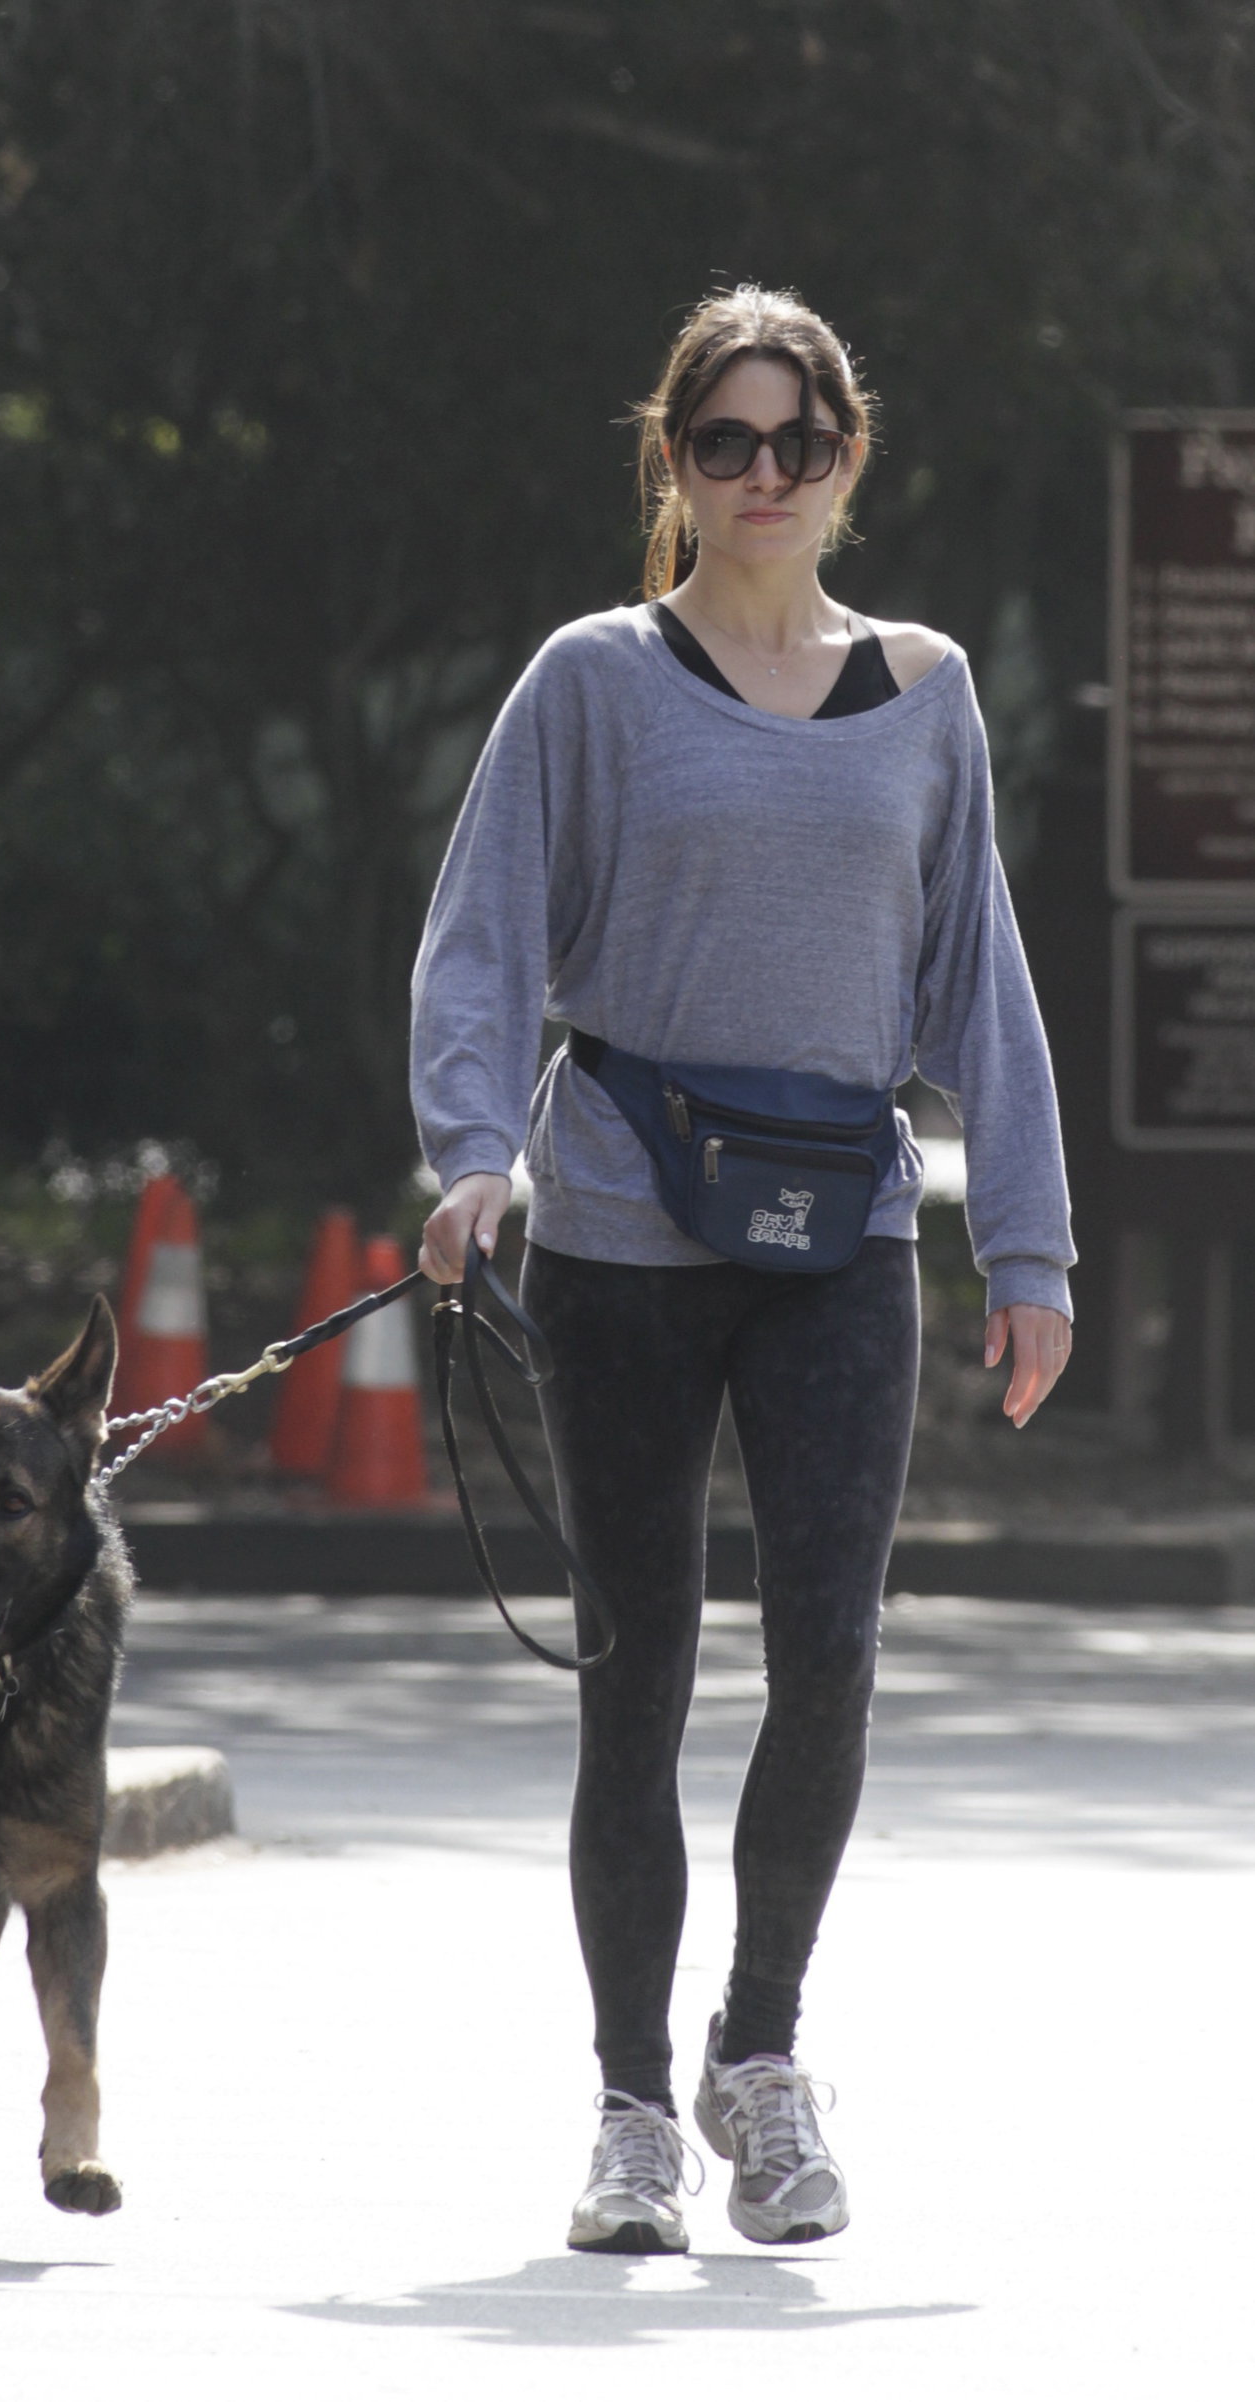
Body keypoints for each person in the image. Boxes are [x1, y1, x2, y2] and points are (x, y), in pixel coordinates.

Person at [409, 285, 1073, 2254]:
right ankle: (627, 2108)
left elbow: (984, 986)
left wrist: (1023, 1244)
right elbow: (479, 941)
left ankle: (755, 2055)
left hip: (844, 1237)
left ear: (849, 459)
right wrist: (468, 1157)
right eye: (726, 441)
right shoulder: (591, 681)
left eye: (799, 440)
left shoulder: (929, 691)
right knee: (638, 1675)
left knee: (833, 1658)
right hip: (617, 1221)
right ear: (675, 461)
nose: (763, 473)